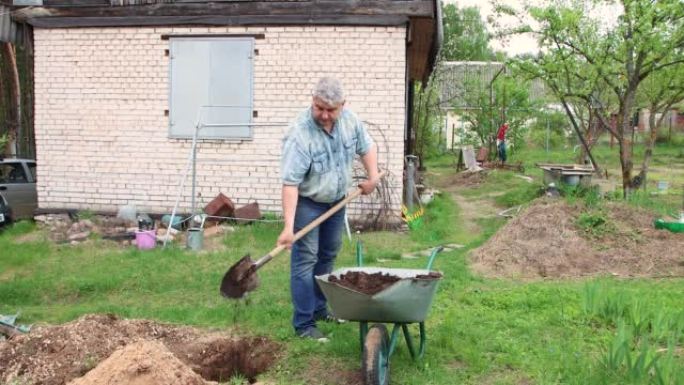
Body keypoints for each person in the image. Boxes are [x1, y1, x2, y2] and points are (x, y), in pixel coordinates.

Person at [278, 77, 379, 341]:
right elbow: (290, 184)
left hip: (337, 201)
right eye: (318, 107)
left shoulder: (351, 122)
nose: (323, 115)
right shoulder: (299, 134)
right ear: (313, 100)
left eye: (330, 110)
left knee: (328, 254)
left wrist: (372, 176)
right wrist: (288, 227)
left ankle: (321, 309)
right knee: (305, 260)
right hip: (308, 204)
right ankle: (304, 324)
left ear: (343, 105)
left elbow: (367, 147)